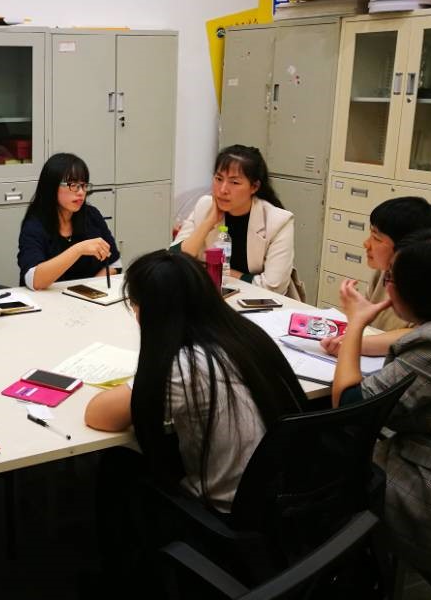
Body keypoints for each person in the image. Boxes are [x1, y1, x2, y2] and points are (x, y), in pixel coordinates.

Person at [85, 250, 307, 511]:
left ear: (149, 313)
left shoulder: (184, 365)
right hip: (287, 493)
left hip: (230, 511)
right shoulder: (245, 334)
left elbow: (98, 415)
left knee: (116, 461)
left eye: (135, 306)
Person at [330, 226, 431, 586]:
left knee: (331, 459)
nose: (387, 285)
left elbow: (350, 406)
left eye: (390, 278)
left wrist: (356, 323)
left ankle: (354, 573)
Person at [319, 196, 431, 357]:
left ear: (407, 247)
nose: (366, 244)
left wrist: (352, 344)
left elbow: (419, 335)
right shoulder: (384, 272)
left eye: (376, 238)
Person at [173, 144, 301, 298]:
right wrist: (208, 222)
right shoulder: (204, 206)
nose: (223, 190)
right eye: (219, 179)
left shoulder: (278, 221)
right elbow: (174, 261)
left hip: (258, 304)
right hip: (213, 298)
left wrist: (225, 273)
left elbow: (273, 287)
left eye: (234, 182)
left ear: (254, 187)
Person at [17, 152, 119, 290]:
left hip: (87, 297)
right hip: (47, 300)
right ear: (52, 187)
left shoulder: (91, 215)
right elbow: (33, 280)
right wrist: (78, 250)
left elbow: (114, 263)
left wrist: (87, 290)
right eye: (73, 185)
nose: (81, 192)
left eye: (84, 185)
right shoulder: (35, 225)